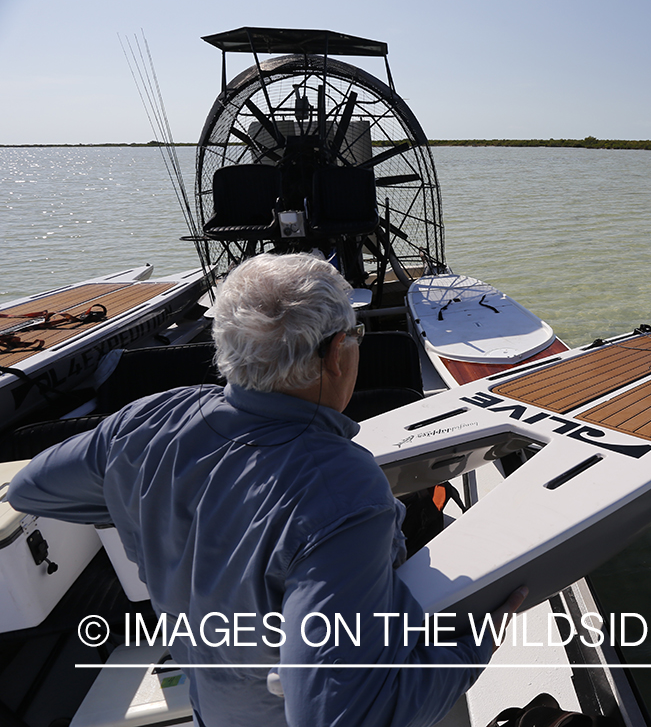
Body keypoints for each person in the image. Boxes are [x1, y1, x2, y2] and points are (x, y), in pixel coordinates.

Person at [7, 253, 526, 727]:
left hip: (214, 709)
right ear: (337, 354)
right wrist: (473, 645)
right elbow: (340, 717)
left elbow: (31, 490)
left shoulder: (150, 420)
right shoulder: (344, 491)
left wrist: (142, 493)